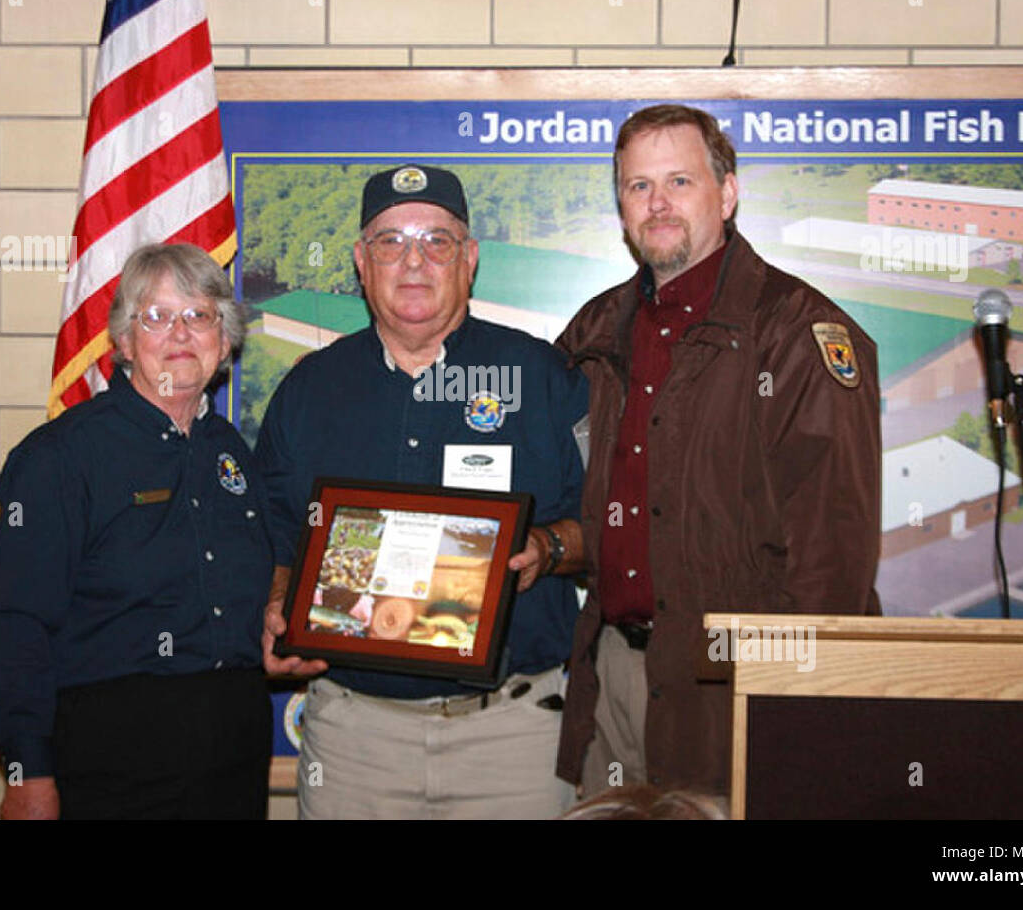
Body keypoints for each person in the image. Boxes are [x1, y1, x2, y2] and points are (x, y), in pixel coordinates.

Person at [555, 105, 882, 798]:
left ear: (727, 193)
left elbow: (834, 554)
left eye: (680, 180)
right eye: (638, 186)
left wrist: (794, 703)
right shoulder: (596, 327)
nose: (658, 204)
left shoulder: (798, 332)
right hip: (614, 671)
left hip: (737, 681)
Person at [256, 163, 588, 819]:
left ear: (469, 259)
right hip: (354, 740)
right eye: (391, 241)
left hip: (513, 741)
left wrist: (545, 549)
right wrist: (276, 609)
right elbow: (276, 537)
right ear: (361, 260)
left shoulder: (541, 376)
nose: (414, 261)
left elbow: (608, 524)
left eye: (437, 241)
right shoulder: (309, 390)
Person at [0, 242, 275, 819]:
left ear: (225, 338)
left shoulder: (231, 453)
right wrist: (27, 773)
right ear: (123, 341)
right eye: (157, 316)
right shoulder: (61, 457)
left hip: (233, 757)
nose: (180, 334)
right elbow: (15, 628)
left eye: (199, 316)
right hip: (111, 762)